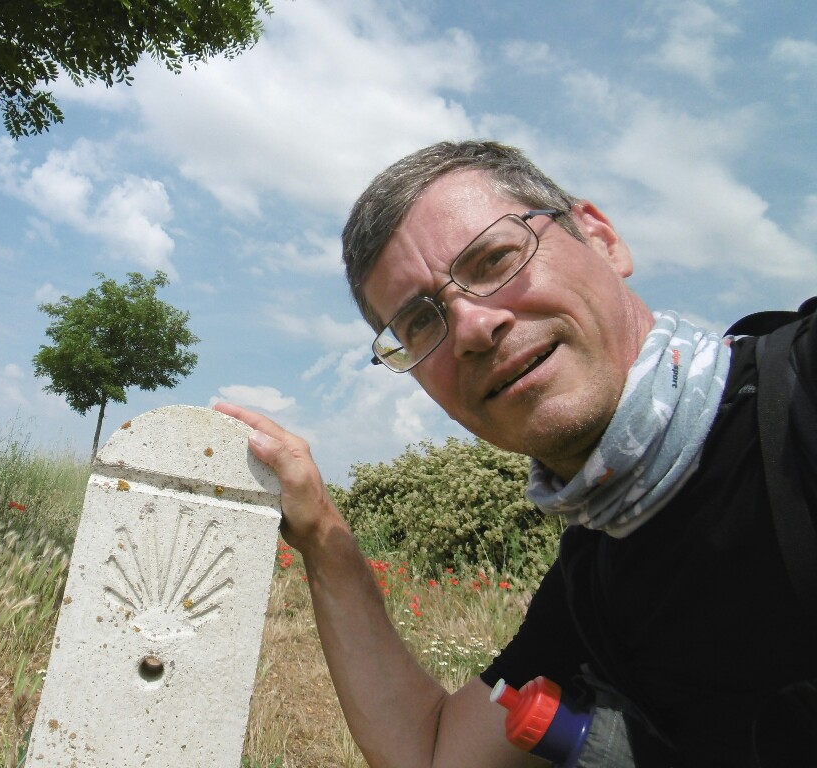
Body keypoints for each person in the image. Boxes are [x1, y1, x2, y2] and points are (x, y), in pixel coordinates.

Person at [214, 140, 817, 767]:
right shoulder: (596, 582)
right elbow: (434, 754)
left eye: (496, 258)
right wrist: (322, 534)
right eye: (420, 322)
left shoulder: (802, 398)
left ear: (601, 238)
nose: (473, 328)